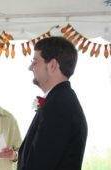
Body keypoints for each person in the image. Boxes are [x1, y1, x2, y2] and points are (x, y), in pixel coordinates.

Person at [17, 36, 88, 170]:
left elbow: (40, 164)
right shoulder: (61, 99)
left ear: (52, 65)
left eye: (35, 61)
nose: (30, 67)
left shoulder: (58, 106)